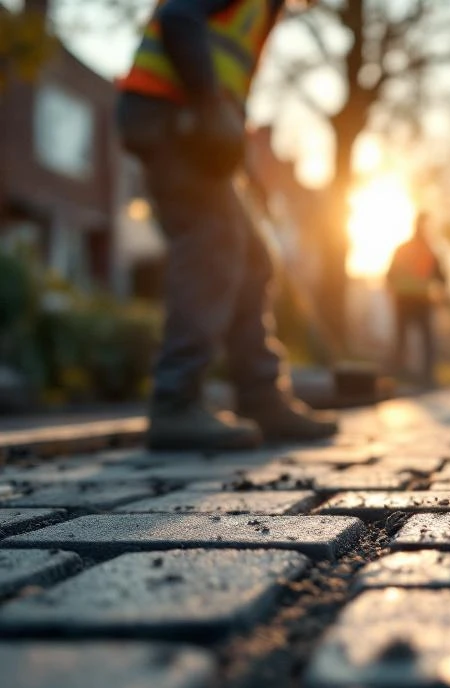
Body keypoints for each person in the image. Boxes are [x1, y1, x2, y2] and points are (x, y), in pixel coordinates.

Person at [116, 0, 338, 451]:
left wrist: (241, 157)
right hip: (169, 118)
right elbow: (179, 17)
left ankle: (260, 399)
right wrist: (211, 105)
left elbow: (223, 79)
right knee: (212, 243)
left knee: (253, 258)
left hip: (192, 126)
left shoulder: (266, 9)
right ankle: (175, 401)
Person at [386, 213, 446, 387]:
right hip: (417, 300)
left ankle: (400, 376)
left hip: (408, 300)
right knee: (424, 340)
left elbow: (389, 275)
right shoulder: (428, 251)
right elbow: (441, 277)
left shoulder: (404, 249)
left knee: (403, 340)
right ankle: (425, 378)